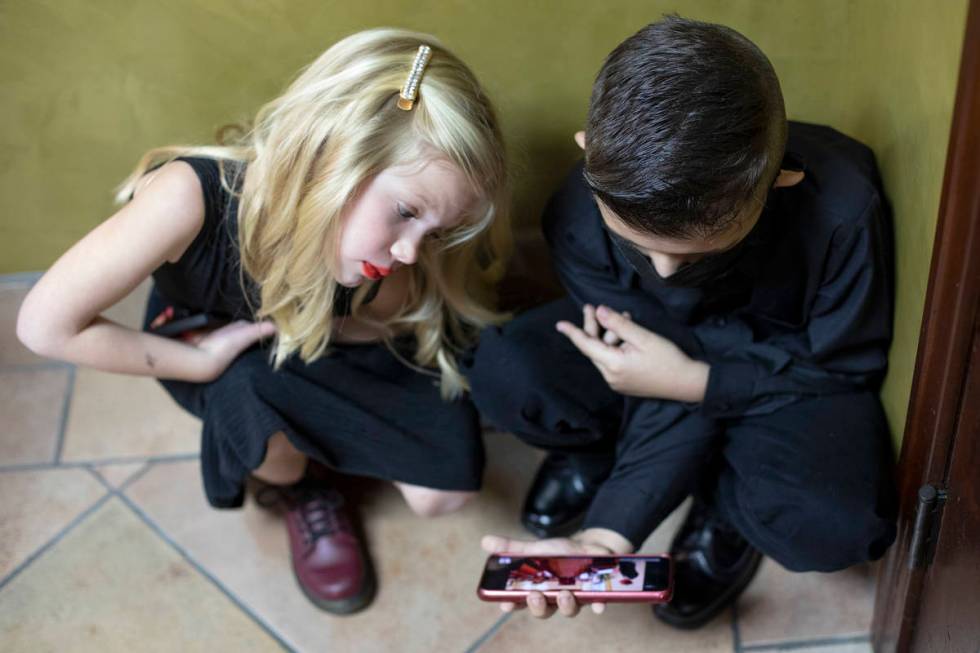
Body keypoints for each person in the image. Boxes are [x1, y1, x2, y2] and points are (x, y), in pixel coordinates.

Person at [17, 28, 509, 615]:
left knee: (442, 496)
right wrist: (196, 361)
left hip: (317, 338)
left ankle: (315, 433)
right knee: (248, 397)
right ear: (334, 153)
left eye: (433, 232)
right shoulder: (186, 198)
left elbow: (390, 316)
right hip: (214, 345)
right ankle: (297, 487)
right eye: (405, 213)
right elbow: (43, 328)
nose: (409, 250)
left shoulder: (386, 261)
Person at [469, 16, 897, 626]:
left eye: (699, 251)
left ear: (780, 182)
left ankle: (726, 504)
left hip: (786, 375)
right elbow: (651, 347)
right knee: (507, 368)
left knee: (832, 525)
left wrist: (696, 384)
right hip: (659, 359)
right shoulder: (575, 207)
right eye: (636, 244)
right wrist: (608, 537)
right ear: (590, 152)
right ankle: (599, 454)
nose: (665, 273)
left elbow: (839, 368)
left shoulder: (844, 210)